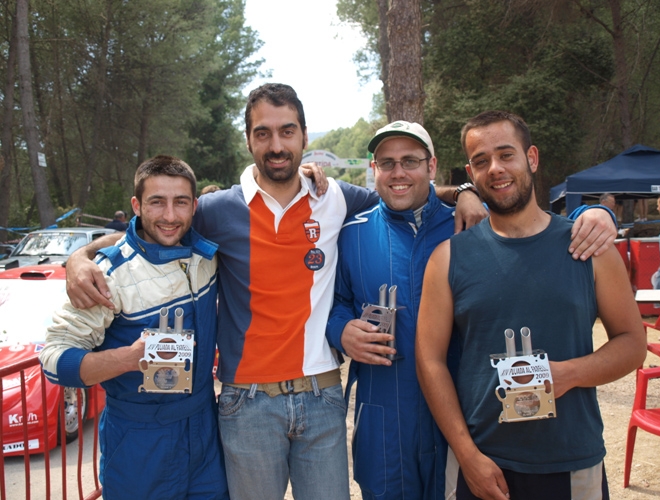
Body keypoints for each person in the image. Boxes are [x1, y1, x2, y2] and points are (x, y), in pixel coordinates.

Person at [64, 85, 615, 500]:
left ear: (304, 136)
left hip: (330, 399)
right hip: (246, 402)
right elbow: (158, 225)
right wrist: (80, 255)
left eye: (286, 131)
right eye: (263, 132)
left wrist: (471, 192)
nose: (276, 144)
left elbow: (412, 190)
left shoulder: (341, 202)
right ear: (250, 139)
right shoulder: (215, 210)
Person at [326, 121, 618, 500]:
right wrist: (341, 331)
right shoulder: (352, 234)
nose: (398, 172)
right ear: (374, 170)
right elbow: (332, 305)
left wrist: (598, 214)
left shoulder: (468, 224)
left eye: (410, 161)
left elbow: (526, 224)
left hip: (466, 421)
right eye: (387, 163)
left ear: (431, 167)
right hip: (385, 421)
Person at [416, 110, 646, 500]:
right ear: (471, 173)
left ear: (532, 158)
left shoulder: (588, 247)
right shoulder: (448, 258)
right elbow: (430, 361)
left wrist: (568, 374)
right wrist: (467, 455)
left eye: (506, 154)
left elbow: (632, 344)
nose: (495, 169)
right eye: (481, 161)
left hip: (572, 461)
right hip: (483, 465)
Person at [39, 156, 228, 500]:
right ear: (137, 206)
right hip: (138, 443)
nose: (170, 216)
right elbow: (53, 359)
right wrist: (128, 359)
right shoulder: (108, 275)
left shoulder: (207, 254)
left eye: (180, 202)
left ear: (194, 206)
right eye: (157, 202)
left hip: (205, 434)